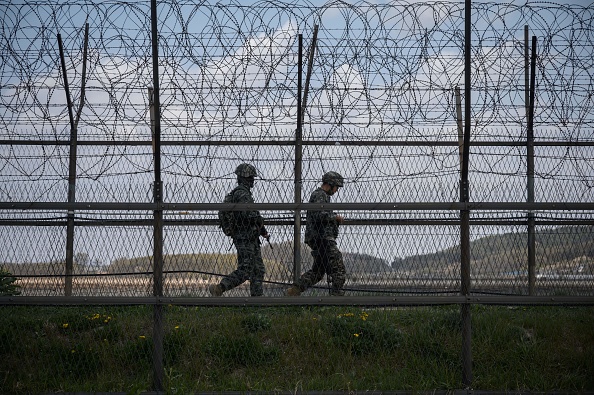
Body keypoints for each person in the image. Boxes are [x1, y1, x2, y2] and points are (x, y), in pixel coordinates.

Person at [209, 163, 270, 297]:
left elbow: (250, 214)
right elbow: (246, 214)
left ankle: (257, 299)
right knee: (245, 270)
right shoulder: (242, 193)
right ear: (246, 178)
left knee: (258, 270)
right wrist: (259, 218)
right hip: (245, 237)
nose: (253, 180)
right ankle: (220, 287)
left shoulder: (243, 193)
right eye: (251, 177)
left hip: (250, 237)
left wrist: (261, 229)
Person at [287, 171, 346, 296]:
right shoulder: (320, 195)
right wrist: (335, 217)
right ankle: (337, 297)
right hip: (322, 238)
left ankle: (294, 291)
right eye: (336, 187)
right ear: (331, 184)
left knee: (318, 271)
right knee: (338, 265)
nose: (336, 190)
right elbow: (319, 215)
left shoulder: (321, 196)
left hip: (319, 238)